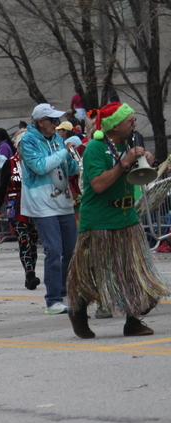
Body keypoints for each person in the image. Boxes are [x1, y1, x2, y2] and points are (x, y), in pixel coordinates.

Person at [67, 103, 170, 338]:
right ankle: (78, 310)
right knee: (90, 272)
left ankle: (133, 321)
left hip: (127, 219)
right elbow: (98, 185)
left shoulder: (130, 145)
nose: (134, 124)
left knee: (135, 274)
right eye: (129, 120)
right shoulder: (96, 148)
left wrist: (146, 162)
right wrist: (124, 163)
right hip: (99, 221)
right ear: (114, 126)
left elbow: (136, 179)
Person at [19, 103, 79, 315]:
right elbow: (40, 166)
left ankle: (63, 291)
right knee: (54, 250)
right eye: (53, 120)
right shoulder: (27, 140)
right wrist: (64, 152)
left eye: (57, 120)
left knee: (70, 250)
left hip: (63, 202)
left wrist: (75, 159)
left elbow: (69, 168)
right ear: (41, 122)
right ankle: (52, 300)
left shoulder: (57, 139)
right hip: (41, 204)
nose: (56, 124)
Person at [0, 145, 41, 290]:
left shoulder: (36, 161)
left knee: (33, 241)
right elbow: (2, 187)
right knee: (24, 239)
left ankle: (31, 270)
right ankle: (29, 274)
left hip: (35, 205)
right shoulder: (10, 163)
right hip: (17, 206)